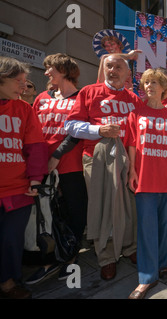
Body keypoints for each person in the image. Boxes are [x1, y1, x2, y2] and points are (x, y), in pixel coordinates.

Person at [64, 54, 140, 280]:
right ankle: (106, 257)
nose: (113, 70)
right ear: (104, 69)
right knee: (102, 206)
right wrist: (99, 131)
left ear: (128, 74)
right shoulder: (89, 92)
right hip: (97, 159)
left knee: (128, 206)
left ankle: (129, 248)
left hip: (127, 159)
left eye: (119, 67)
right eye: (109, 66)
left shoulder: (134, 99)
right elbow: (71, 125)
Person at [25, 53, 88, 284]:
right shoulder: (41, 97)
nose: (46, 73)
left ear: (63, 70)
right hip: (41, 165)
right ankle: (49, 258)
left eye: (50, 68)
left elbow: (77, 131)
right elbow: (32, 130)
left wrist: (57, 156)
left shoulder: (82, 97)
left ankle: (70, 257)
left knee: (74, 211)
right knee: (45, 214)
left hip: (70, 165)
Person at [125, 69, 167, 299]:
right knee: (147, 227)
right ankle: (146, 278)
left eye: (154, 82)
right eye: (146, 82)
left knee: (163, 224)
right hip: (145, 176)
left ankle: (161, 263)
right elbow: (131, 142)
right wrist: (131, 169)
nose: (149, 85)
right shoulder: (137, 111)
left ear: (163, 87)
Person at [0, 57, 48, 299]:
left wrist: (35, 179)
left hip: (18, 190)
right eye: (18, 81)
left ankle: (8, 284)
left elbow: (36, 148)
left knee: (11, 240)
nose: (23, 86)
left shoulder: (24, 110)